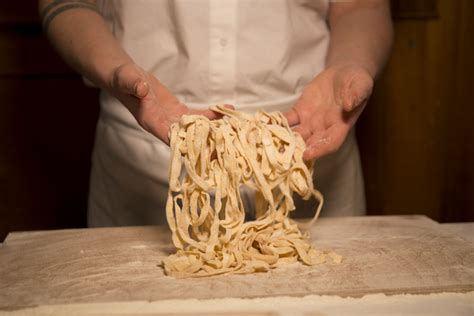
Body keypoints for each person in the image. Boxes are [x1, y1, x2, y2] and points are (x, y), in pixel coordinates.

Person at [39, 0, 393, 227]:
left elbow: (360, 6)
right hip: (146, 155)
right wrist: (115, 70)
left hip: (309, 141)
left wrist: (350, 64)